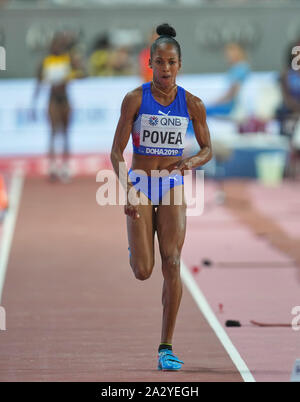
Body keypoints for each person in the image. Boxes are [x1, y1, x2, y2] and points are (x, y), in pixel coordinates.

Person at [110, 23, 212, 371]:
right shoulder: (135, 99)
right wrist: (126, 188)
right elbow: (114, 153)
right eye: (159, 62)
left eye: (171, 62)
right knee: (143, 270)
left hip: (170, 186)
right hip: (139, 183)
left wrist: (190, 162)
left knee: (172, 263)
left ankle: (166, 347)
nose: (165, 69)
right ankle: (136, 248)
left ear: (179, 65)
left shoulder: (193, 103)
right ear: (150, 63)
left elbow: (208, 149)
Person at [32, 32, 85, 182]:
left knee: (66, 133)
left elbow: (83, 74)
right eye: (54, 44)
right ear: (51, 46)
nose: (56, 47)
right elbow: (38, 82)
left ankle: (66, 166)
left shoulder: (68, 59)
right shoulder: (46, 60)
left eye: (59, 45)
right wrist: (33, 104)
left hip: (65, 98)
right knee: (53, 132)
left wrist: (72, 74)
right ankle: (53, 166)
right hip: (53, 99)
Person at [205, 42, 250, 117]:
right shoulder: (237, 69)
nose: (227, 56)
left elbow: (231, 95)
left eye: (230, 54)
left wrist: (214, 103)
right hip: (229, 106)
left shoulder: (241, 69)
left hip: (232, 108)